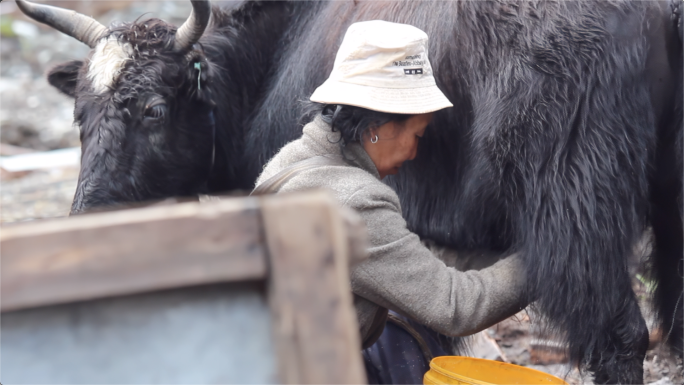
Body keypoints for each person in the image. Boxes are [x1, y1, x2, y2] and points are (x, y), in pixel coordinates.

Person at [253, 20, 527, 383]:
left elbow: (398, 256)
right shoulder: (356, 200)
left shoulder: (289, 162)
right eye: (417, 134)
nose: (414, 152)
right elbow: (457, 306)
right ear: (376, 128)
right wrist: (546, 262)